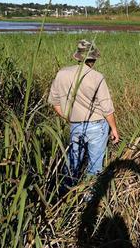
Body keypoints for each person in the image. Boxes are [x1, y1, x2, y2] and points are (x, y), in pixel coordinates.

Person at [48, 39, 119, 186]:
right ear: (93, 58)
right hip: (97, 126)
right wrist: (114, 129)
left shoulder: (62, 74)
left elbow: (54, 102)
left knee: (73, 164)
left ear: (77, 57)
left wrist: (68, 118)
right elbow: (107, 108)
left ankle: (67, 194)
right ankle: (89, 198)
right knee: (95, 167)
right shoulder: (97, 77)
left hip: (75, 125)